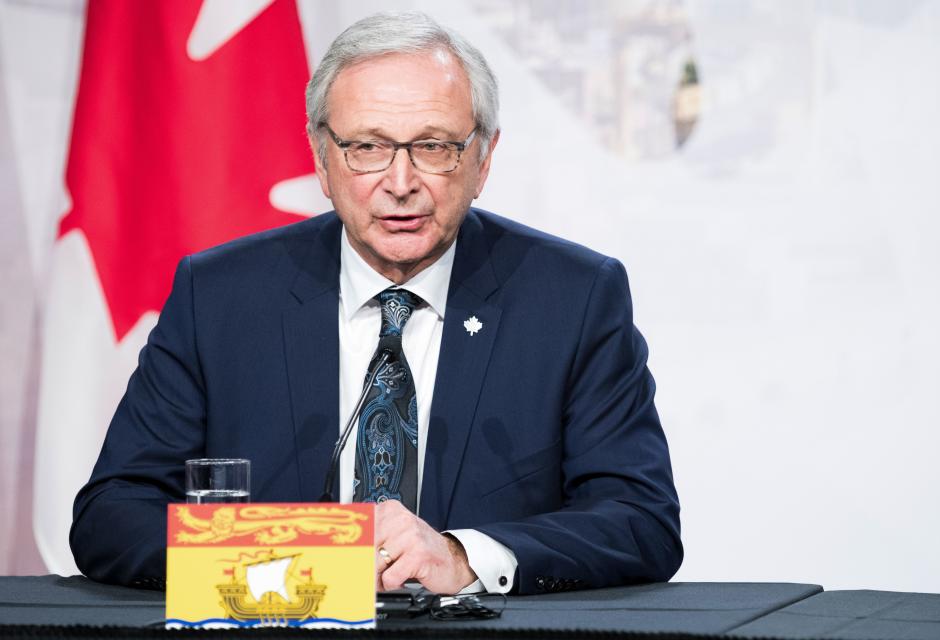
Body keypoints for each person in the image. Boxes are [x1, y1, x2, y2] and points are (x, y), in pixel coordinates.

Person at [71, 11, 682, 595]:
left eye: (434, 147)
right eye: (367, 147)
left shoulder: (572, 300)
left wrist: (464, 556)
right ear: (320, 156)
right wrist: (289, 559)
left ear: (483, 159)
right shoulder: (222, 296)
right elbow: (112, 515)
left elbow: (639, 519)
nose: (400, 182)